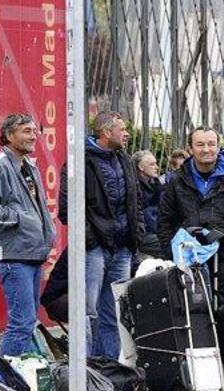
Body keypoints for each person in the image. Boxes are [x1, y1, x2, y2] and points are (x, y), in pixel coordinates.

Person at [60, 111, 143, 359]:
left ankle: (108, 371)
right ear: (107, 132)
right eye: (121, 128)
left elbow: (135, 201)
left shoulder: (125, 160)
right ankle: (85, 370)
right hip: (94, 249)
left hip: (122, 249)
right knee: (87, 311)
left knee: (114, 313)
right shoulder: (80, 161)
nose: (126, 133)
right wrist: (90, 240)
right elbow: (68, 208)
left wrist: (135, 233)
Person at [0, 114, 56, 356]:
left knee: (28, 322)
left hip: (31, 254)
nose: (33, 136)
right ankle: (1, 383)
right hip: (13, 256)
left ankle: (18, 379)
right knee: (21, 323)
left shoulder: (29, 166)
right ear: (10, 136)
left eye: (34, 130)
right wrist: (19, 220)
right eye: (26, 131)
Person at [157, 126, 224, 305]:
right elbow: (165, 219)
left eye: (211, 144)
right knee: (190, 311)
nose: (206, 149)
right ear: (190, 149)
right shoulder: (177, 180)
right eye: (200, 144)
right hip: (187, 258)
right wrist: (171, 252)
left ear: (219, 147)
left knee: (221, 312)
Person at [133, 150, 164, 259]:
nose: (156, 167)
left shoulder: (156, 184)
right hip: (143, 234)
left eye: (156, 163)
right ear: (140, 167)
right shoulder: (134, 186)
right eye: (152, 164)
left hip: (156, 231)